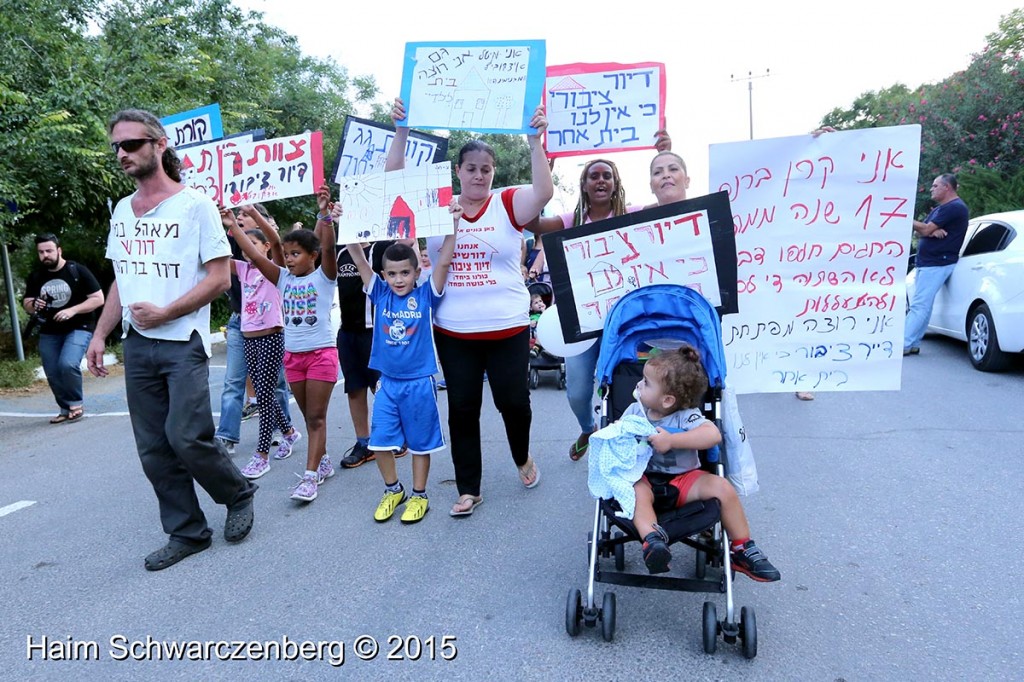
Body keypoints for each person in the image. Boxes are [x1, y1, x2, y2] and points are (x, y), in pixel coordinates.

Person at [88, 108, 256, 571]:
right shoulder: (123, 210)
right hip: (138, 344)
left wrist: (167, 311)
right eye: (117, 146)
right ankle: (187, 532)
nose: (122, 153)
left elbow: (221, 279)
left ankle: (237, 493)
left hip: (184, 339)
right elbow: (122, 278)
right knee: (154, 447)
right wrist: (101, 333)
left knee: (186, 436)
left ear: (159, 145)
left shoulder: (195, 205)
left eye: (132, 144)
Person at [388, 98, 553, 516]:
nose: (479, 176)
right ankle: (468, 488)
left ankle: (522, 456)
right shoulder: (436, 204)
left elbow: (544, 192)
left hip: (509, 329)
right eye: (471, 168)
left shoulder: (508, 202)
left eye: (486, 169)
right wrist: (402, 129)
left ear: (492, 173)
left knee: (513, 403)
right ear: (458, 171)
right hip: (453, 331)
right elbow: (392, 184)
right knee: (463, 408)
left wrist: (535, 143)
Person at [527, 154, 653, 461]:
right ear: (584, 184)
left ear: (615, 183)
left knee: (627, 388)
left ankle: (624, 447)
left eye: (606, 176)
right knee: (578, 392)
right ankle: (588, 427)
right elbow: (530, 223)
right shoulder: (570, 222)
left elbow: (670, 206)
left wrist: (665, 153)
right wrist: (541, 188)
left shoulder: (631, 214)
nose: (600, 180)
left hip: (623, 323)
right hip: (579, 322)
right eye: (593, 175)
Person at [626, 344, 780, 582]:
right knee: (636, 492)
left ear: (667, 400)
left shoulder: (687, 416)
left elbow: (712, 435)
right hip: (643, 477)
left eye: (645, 382)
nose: (638, 385)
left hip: (684, 480)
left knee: (722, 487)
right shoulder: (635, 411)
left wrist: (673, 440)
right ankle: (653, 542)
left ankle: (742, 548)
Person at [346, 210, 459, 524]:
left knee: (420, 443)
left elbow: (445, 261)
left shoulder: (426, 295)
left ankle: (419, 494)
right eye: (392, 274)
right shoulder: (380, 293)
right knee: (379, 440)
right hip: (388, 383)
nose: (399, 280)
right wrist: (342, 219)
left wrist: (454, 226)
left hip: (420, 382)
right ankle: (393, 489)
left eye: (405, 273)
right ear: (383, 275)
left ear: (416, 271)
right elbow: (357, 257)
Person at [232, 183, 338, 503]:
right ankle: (323, 461)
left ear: (312, 256)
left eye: (296, 254)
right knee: (309, 418)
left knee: (317, 418)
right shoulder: (282, 279)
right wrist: (233, 225)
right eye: (287, 255)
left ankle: (309, 478)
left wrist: (325, 217)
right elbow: (255, 251)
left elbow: (330, 251)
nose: (289, 260)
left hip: (321, 355)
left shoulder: (324, 276)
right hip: (294, 358)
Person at [226, 205, 303, 480]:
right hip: (248, 338)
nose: (250, 249)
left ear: (266, 246)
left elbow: (276, 241)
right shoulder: (241, 269)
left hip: (272, 336)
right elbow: (215, 256)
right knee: (262, 392)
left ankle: (261, 454)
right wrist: (225, 224)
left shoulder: (276, 269)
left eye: (255, 243)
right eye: (247, 245)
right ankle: (290, 433)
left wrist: (251, 217)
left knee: (265, 395)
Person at [334, 237, 412, 469]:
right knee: (354, 388)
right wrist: (327, 218)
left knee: (382, 388)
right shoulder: (340, 251)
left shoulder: (381, 248)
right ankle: (364, 442)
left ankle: (396, 437)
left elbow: (406, 249)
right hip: (348, 331)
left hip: (375, 331)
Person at [23, 233, 105, 424]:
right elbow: (27, 302)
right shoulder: (36, 276)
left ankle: (76, 403)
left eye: (49, 251)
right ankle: (65, 408)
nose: (45, 255)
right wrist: (34, 304)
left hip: (79, 326)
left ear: (59, 250)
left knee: (67, 364)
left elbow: (98, 298)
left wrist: (72, 310)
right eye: (41, 252)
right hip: (50, 330)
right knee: (52, 371)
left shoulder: (77, 271)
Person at [904, 173, 970, 356]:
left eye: (935, 186)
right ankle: (914, 343)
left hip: (937, 262)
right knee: (923, 305)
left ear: (946, 187)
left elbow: (922, 228)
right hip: (928, 263)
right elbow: (920, 233)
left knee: (919, 305)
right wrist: (930, 232)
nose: (931, 189)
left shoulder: (954, 208)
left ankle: (903, 343)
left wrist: (904, 218)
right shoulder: (942, 209)